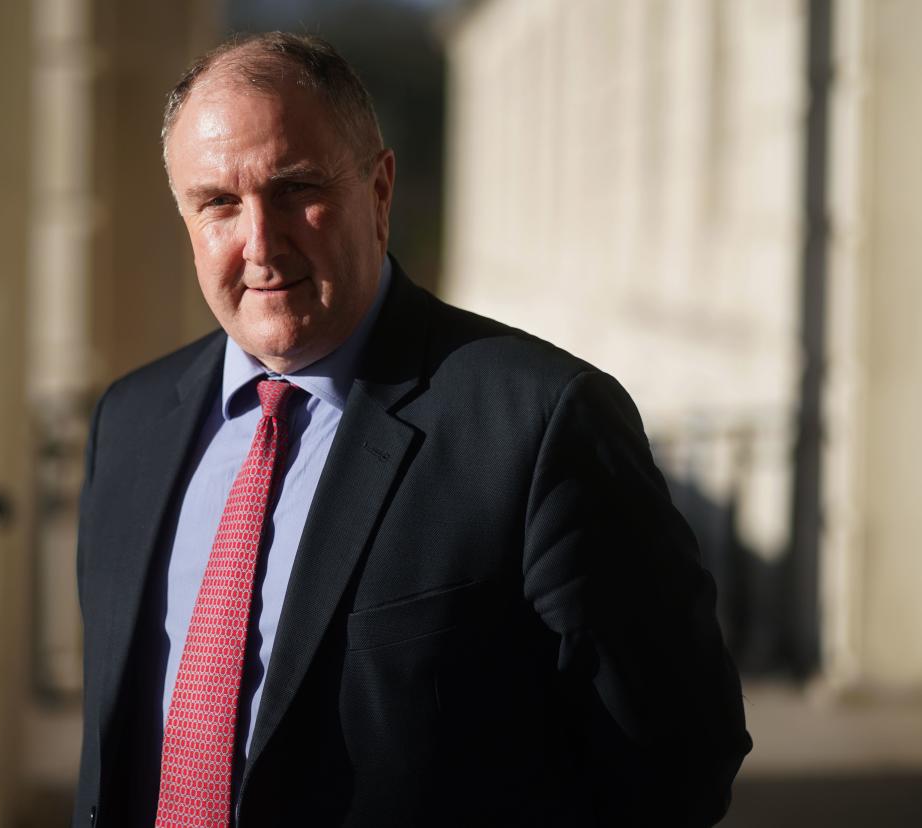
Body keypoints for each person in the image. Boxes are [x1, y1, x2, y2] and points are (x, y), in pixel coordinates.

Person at [73, 31, 751, 828]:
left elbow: (678, 762)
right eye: (219, 203)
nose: (260, 243)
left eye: (295, 189)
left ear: (380, 188)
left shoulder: (539, 424)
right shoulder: (131, 422)